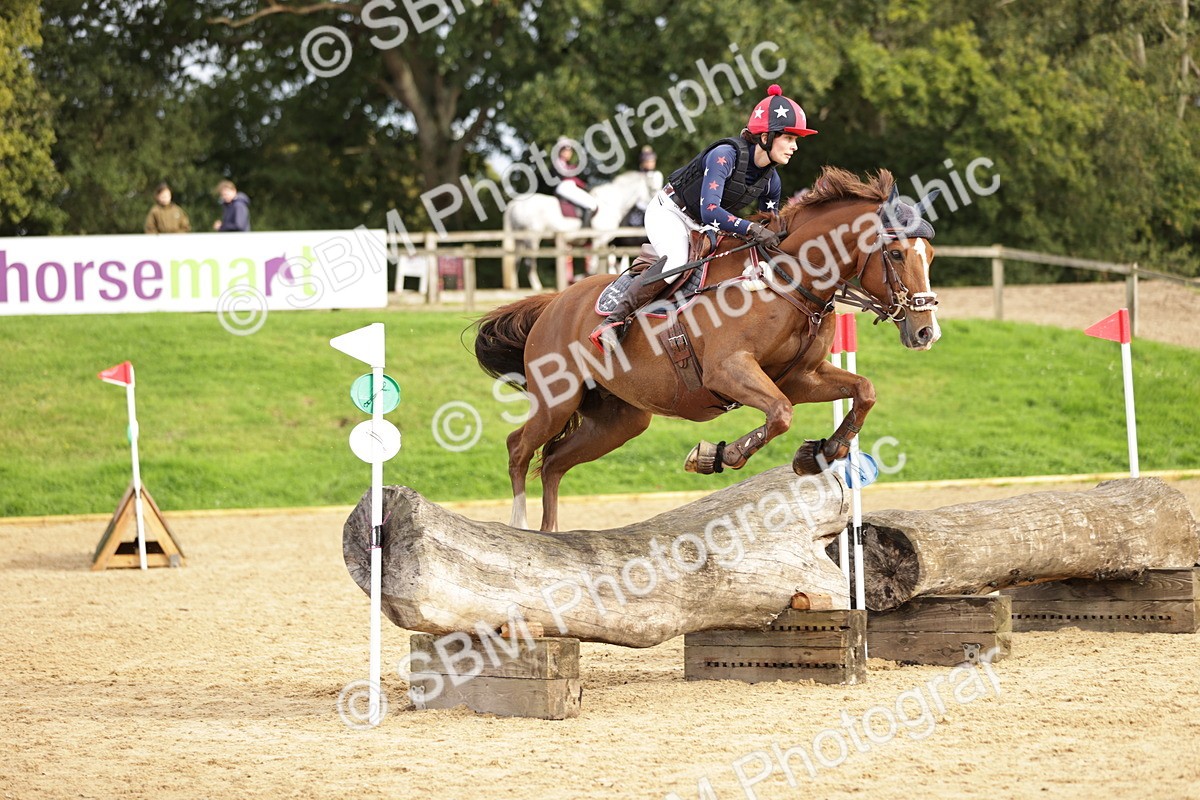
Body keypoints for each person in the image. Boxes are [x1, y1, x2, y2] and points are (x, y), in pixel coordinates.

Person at [590, 84, 816, 351]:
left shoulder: (771, 182)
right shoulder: (725, 156)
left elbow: (770, 226)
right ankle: (613, 322)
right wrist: (751, 229)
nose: (794, 147)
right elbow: (711, 210)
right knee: (678, 260)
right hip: (670, 212)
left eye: (796, 141)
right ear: (766, 136)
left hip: (706, 225)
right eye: (789, 139)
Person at [551, 139, 598, 229]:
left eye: (570, 151)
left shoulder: (564, 163)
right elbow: (569, 177)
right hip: (565, 187)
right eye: (567, 150)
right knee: (590, 204)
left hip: (568, 186)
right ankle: (584, 232)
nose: (569, 153)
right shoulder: (559, 162)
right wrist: (584, 186)